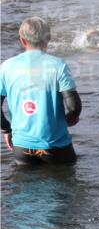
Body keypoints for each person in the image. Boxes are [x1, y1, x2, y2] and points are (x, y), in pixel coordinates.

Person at [1, 17, 82, 165]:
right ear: (49, 38)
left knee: (26, 186)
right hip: (57, 148)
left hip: (21, 148)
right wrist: (71, 118)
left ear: (22, 41)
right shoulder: (58, 65)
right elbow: (74, 107)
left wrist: (7, 129)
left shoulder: (6, 67)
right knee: (65, 184)